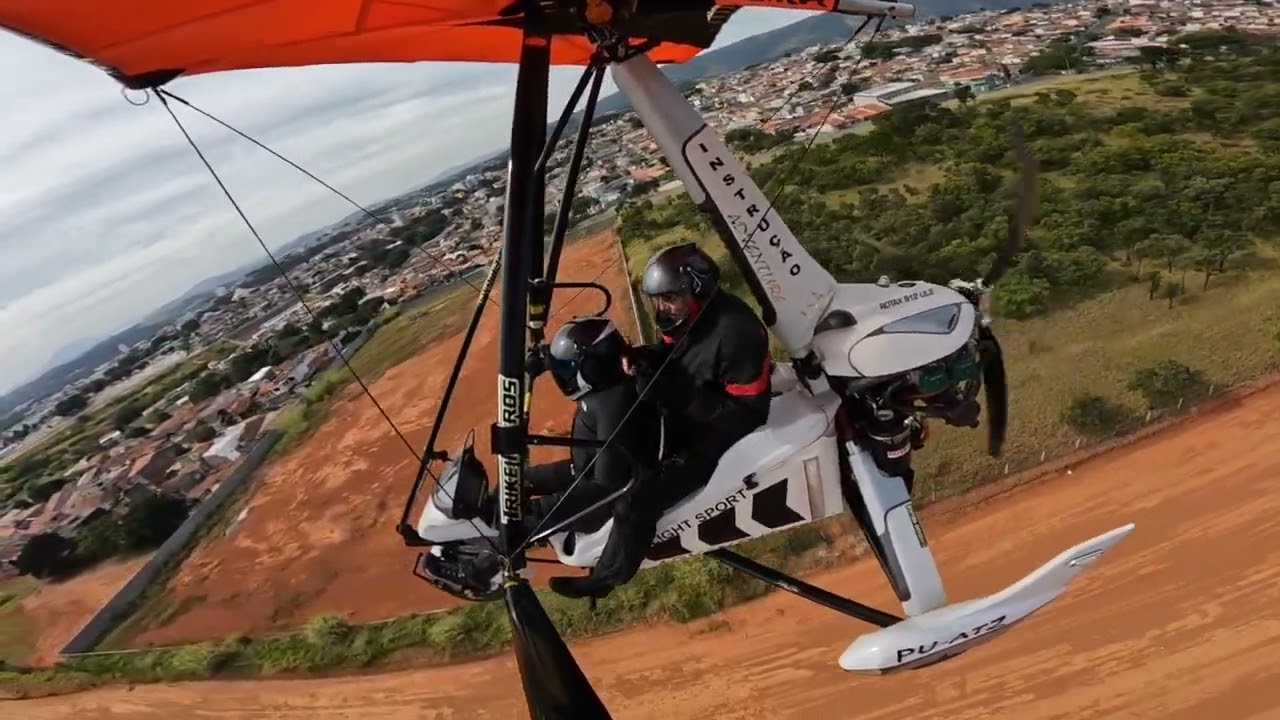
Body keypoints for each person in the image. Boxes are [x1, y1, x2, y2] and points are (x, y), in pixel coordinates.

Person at [467, 315, 667, 599]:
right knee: (518, 480)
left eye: (568, 368)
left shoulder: (616, 405)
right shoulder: (605, 387)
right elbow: (581, 355)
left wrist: (536, 512)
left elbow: (604, 490)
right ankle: (487, 511)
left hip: (609, 491)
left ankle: (482, 568)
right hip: (586, 469)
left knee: (525, 518)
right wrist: (546, 358)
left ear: (592, 368)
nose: (563, 375)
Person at [623, 242, 774, 508]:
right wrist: (643, 357)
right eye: (658, 300)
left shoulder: (735, 332)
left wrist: (681, 396)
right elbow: (677, 353)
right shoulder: (692, 320)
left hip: (719, 437)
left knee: (633, 507)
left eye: (669, 298)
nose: (662, 308)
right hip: (691, 417)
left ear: (697, 291)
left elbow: (746, 415)